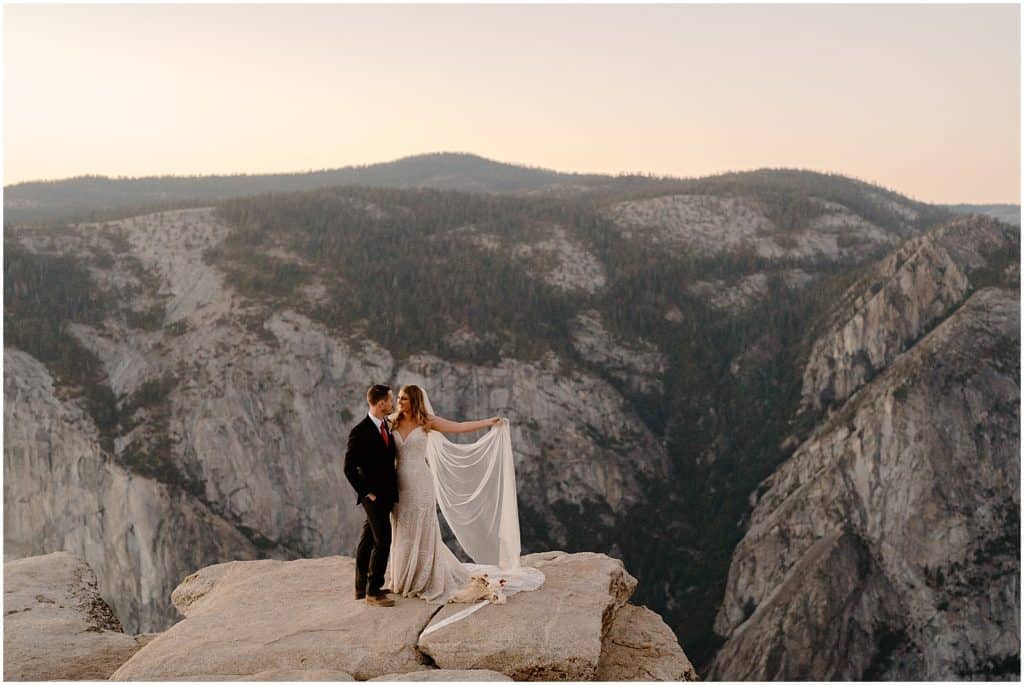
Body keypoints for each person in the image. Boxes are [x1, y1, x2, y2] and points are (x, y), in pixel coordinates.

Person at [382, 384, 502, 602]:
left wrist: (488, 422)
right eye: (399, 398)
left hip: (421, 482)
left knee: (422, 526)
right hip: (397, 483)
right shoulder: (391, 421)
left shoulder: (427, 421)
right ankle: (402, 577)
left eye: (405, 399)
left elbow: (459, 427)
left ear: (415, 401)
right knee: (402, 527)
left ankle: (423, 578)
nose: (400, 402)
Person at [343, 384, 400, 607]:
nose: (393, 403)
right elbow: (349, 468)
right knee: (383, 539)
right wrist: (368, 493)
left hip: (386, 494)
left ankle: (361, 588)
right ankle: (373, 591)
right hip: (373, 496)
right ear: (381, 403)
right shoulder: (360, 431)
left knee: (367, 540)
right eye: (390, 399)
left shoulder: (386, 425)